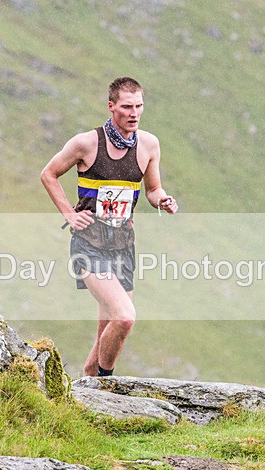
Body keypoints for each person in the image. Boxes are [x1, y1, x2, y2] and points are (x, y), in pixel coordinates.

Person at [40, 77, 178, 377]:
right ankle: (105, 386)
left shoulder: (149, 144)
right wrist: (69, 214)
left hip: (123, 245)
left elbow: (153, 189)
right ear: (111, 106)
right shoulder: (86, 143)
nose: (134, 113)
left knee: (108, 328)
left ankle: (87, 385)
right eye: (127, 106)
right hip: (89, 245)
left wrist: (163, 200)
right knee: (125, 318)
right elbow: (49, 174)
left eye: (139, 106)